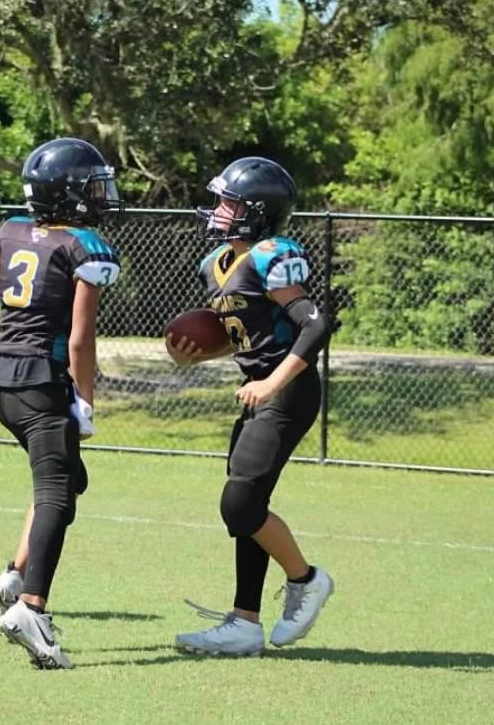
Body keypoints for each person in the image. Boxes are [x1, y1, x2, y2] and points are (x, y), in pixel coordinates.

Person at [0, 137, 121, 670]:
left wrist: (9, 351)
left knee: (67, 479)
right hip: (43, 382)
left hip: (4, 383)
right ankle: (32, 607)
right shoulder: (82, 246)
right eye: (92, 186)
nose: (100, 196)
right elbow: (80, 340)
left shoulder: (11, 233)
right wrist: (86, 399)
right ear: (70, 193)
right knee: (56, 492)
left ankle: (15, 571)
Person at [168, 156, 334, 656]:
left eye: (229, 202)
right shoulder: (216, 262)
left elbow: (315, 325)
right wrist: (196, 354)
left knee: (239, 504)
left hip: (288, 390)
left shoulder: (273, 253)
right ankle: (244, 622)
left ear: (257, 211)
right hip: (258, 388)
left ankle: (306, 579)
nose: (219, 210)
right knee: (247, 505)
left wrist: (271, 382)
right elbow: (242, 334)